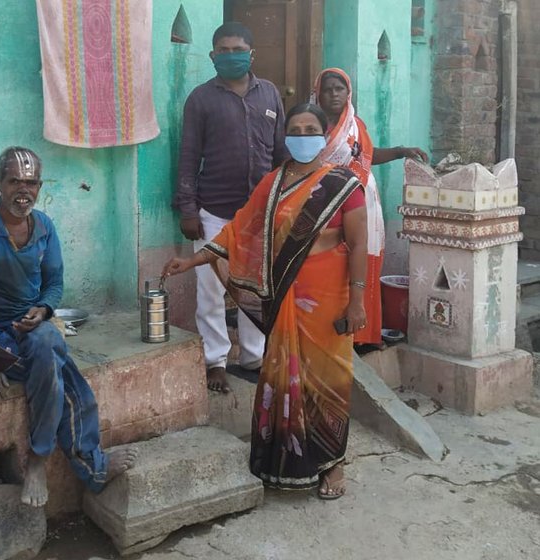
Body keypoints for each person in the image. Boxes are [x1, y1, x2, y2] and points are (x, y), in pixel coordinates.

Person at [163, 103, 367, 499]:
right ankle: (283, 460)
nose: (303, 135)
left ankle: (333, 465)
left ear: (324, 136)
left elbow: (359, 244)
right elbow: (237, 232)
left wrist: (357, 301)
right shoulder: (272, 184)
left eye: (311, 129)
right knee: (283, 374)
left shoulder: (344, 184)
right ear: (285, 137)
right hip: (284, 295)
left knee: (328, 380)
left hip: (328, 298)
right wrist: (191, 260)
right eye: (296, 129)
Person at [0, 146, 136, 507]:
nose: (24, 190)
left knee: (48, 343)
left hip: (30, 329)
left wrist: (44, 307)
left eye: (31, 182)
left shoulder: (45, 227)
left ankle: (51, 460)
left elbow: (54, 283)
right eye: (14, 181)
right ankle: (53, 460)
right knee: (62, 374)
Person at [173, 22, 288, 393]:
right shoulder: (201, 99)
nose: (230, 55)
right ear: (212, 55)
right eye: (223, 50)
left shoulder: (269, 94)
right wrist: (188, 209)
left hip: (259, 214)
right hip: (213, 213)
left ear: (251, 54)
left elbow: (282, 155)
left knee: (254, 288)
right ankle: (215, 361)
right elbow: (188, 156)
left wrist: (283, 205)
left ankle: (254, 357)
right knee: (210, 291)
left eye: (237, 49)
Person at [313, 68, 428, 348]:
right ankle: (333, 335)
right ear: (318, 93)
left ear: (348, 92)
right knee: (336, 266)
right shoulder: (310, 124)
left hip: (363, 202)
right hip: (328, 206)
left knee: (364, 264)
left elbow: (367, 155)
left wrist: (401, 151)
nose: (334, 94)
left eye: (339, 88)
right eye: (327, 89)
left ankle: (364, 333)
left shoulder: (355, 125)